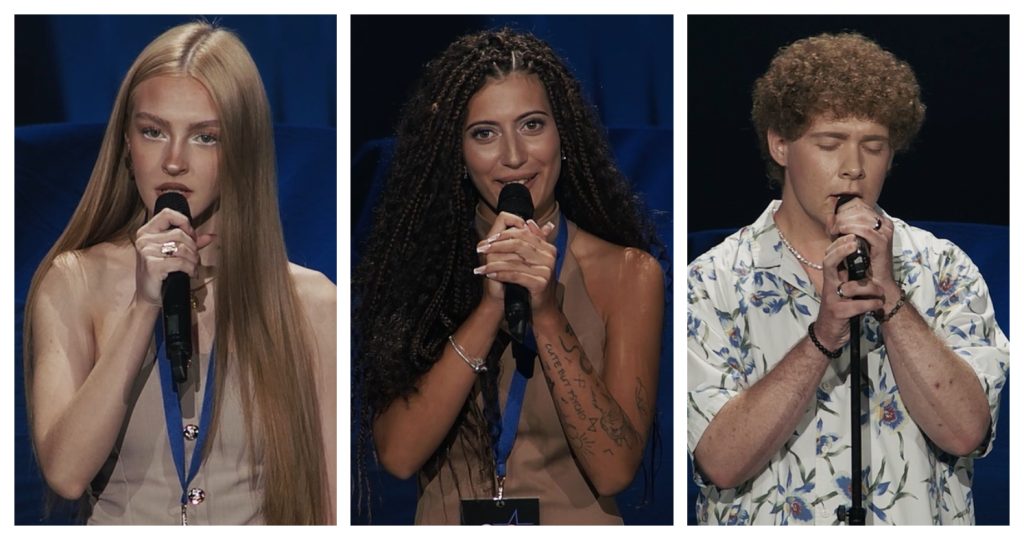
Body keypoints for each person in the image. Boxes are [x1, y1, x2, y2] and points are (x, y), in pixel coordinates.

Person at [687, 32, 1008, 525]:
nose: (854, 168)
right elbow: (720, 463)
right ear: (780, 144)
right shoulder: (713, 282)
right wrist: (823, 335)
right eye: (830, 144)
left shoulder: (944, 268)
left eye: (873, 146)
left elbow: (966, 433)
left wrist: (891, 297)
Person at [21, 21, 336, 525]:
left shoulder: (312, 303)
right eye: (153, 131)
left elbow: (328, 507)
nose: (173, 162)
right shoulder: (74, 281)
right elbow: (65, 474)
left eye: (205, 137)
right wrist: (143, 306)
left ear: (243, 150)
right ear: (127, 144)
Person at [354, 28, 665, 525]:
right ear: (457, 151)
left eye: (532, 125)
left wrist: (546, 313)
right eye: (484, 133)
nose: (515, 156)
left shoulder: (629, 273)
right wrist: (489, 307)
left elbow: (614, 471)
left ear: (563, 135)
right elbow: (398, 456)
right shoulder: (416, 268)